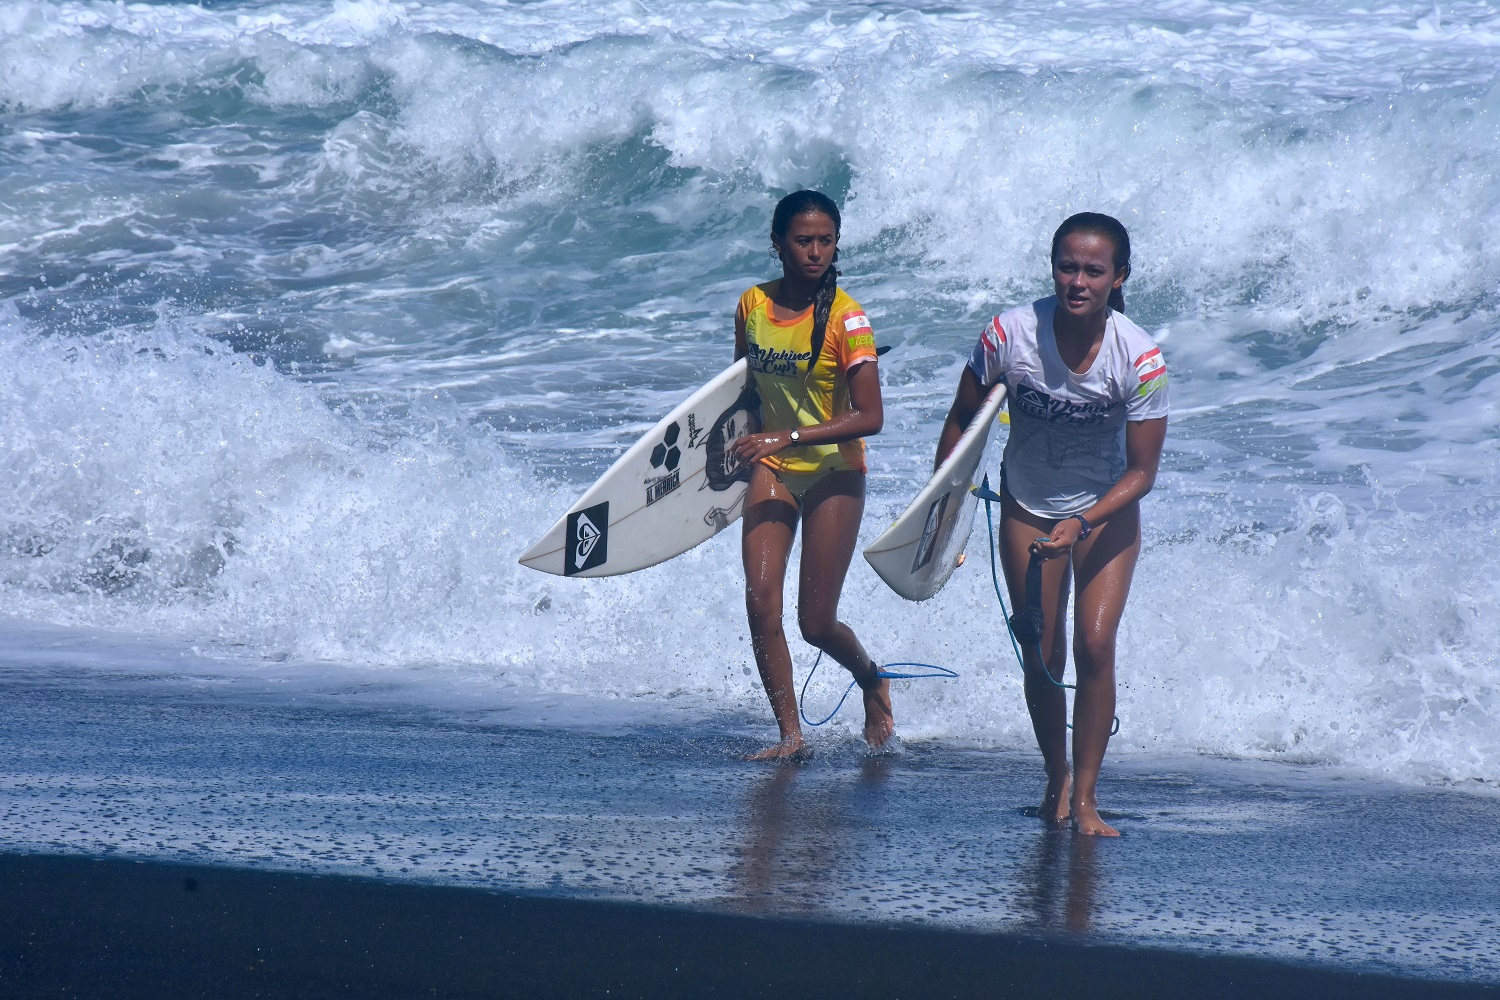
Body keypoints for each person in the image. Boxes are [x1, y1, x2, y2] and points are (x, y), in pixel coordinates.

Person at [935, 213, 1168, 835]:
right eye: (1068, 266)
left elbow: (1142, 472)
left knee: (1094, 646)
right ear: (1053, 267)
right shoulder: (1009, 333)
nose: (1078, 281)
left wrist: (1085, 521)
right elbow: (962, 420)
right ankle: (1056, 776)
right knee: (1042, 654)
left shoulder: (1139, 357)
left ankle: (1086, 797)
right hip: (1027, 505)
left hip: (1107, 511)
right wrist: (943, 505)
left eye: (1095, 270)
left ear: (1119, 277)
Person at [730, 190, 892, 761]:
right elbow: (740, 390)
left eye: (826, 241)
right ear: (778, 244)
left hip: (833, 472)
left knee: (815, 622)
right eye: (803, 240)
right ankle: (790, 736)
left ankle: (872, 679)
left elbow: (869, 416)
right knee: (759, 604)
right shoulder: (752, 305)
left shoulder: (849, 319)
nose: (816, 251)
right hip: (772, 468)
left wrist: (789, 435)